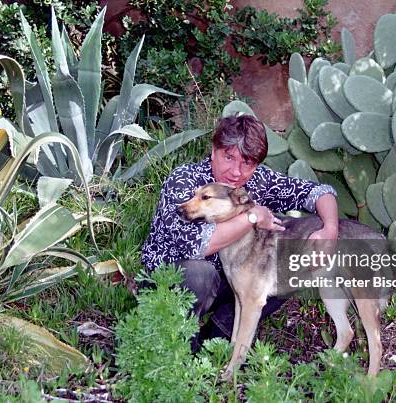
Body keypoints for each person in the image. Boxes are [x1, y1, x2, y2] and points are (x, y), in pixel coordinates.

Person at [141, 114, 338, 350]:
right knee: (198, 273)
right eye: (229, 157)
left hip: (230, 281)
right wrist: (252, 217)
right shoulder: (186, 180)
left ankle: (218, 338)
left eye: (247, 163)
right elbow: (195, 245)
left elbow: (317, 192)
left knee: (287, 262)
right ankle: (178, 346)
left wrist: (330, 229)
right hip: (172, 282)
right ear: (214, 150)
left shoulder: (259, 181)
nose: (236, 171)